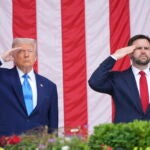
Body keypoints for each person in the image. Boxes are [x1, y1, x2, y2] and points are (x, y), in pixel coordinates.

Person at [0, 38, 58, 136]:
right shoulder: (2, 77)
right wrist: (1, 59)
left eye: (30, 51)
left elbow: (53, 126)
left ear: (35, 57)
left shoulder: (49, 86)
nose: (26, 55)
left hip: (38, 144)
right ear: (13, 55)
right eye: (21, 51)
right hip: (7, 144)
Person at [89, 34, 150, 123]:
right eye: (138, 48)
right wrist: (115, 56)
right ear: (129, 53)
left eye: (147, 48)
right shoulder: (118, 78)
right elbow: (95, 82)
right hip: (125, 134)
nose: (143, 51)